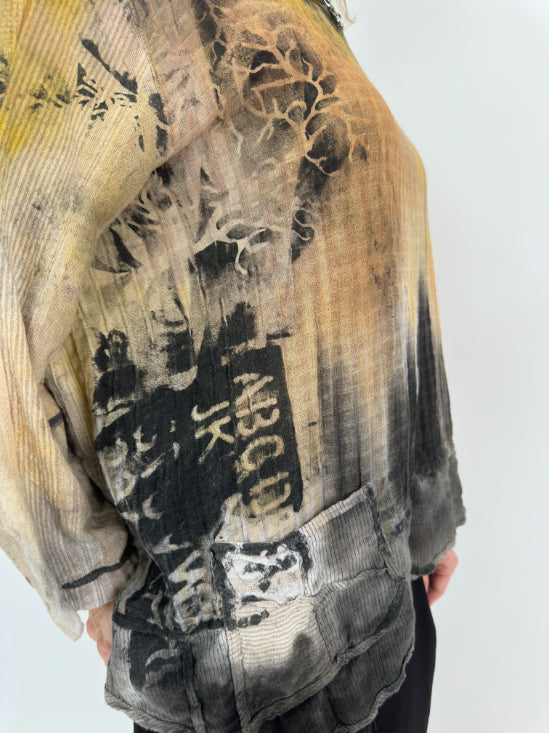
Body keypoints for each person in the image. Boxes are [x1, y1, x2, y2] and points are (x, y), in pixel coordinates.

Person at [0, 0, 466, 732]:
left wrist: (423, 494)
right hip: (239, 650)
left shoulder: (292, 13)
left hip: (384, 586)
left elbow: (377, 222)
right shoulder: (78, 24)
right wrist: (90, 573)